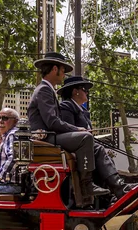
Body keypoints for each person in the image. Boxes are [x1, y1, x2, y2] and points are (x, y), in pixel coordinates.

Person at [27, 52, 109, 209]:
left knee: (90, 141)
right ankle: (87, 186)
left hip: (50, 136)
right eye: (63, 71)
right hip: (45, 139)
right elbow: (52, 122)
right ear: (55, 69)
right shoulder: (44, 90)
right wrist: (76, 129)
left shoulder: (46, 89)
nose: (64, 75)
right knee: (85, 138)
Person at [57, 75, 137, 199]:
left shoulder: (83, 112)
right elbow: (68, 130)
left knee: (107, 157)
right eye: (85, 89)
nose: (87, 92)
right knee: (99, 150)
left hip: (85, 148)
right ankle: (120, 188)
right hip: (74, 148)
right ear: (75, 92)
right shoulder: (66, 106)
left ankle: (109, 195)